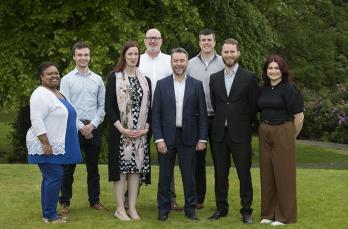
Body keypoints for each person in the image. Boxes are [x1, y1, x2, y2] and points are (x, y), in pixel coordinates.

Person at [152, 48, 208, 221]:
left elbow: (203, 114)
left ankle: (190, 209)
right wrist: (159, 139)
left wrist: (202, 138)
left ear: (186, 62)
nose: (178, 64)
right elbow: (156, 115)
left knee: (189, 176)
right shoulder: (161, 85)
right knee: (164, 177)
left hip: (189, 137)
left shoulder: (196, 85)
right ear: (171, 63)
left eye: (182, 60)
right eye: (175, 61)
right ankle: (163, 209)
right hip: (167, 138)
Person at [209, 38, 259, 224]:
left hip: (241, 134)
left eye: (232, 52)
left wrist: (242, 122)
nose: (229, 55)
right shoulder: (214, 78)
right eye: (226, 52)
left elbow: (253, 106)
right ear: (221, 54)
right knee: (220, 174)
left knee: (244, 174)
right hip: (220, 134)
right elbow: (216, 104)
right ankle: (221, 208)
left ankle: (246, 210)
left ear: (238, 53)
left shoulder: (249, 77)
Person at [26, 61, 82, 223]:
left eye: (56, 73)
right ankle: (50, 216)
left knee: (50, 177)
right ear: (41, 77)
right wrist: (45, 143)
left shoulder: (57, 93)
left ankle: (48, 212)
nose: (54, 75)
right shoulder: (40, 94)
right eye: (49, 73)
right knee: (54, 176)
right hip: (47, 144)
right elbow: (36, 120)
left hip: (57, 143)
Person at [105, 41, 151, 221]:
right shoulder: (114, 78)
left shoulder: (145, 81)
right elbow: (109, 106)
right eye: (130, 54)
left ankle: (131, 208)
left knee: (135, 171)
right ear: (124, 56)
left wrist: (146, 127)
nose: (133, 57)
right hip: (120, 133)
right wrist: (122, 129)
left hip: (139, 135)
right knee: (121, 171)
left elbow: (150, 108)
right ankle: (119, 209)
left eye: (136, 54)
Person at [138, 28, 183, 211]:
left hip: (166, 114)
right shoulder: (137, 60)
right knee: (137, 155)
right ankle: (129, 198)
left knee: (167, 157)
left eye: (156, 38)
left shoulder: (169, 60)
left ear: (161, 40)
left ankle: (170, 199)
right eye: (150, 38)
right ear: (144, 40)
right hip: (141, 114)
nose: (153, 41)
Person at [59, 41, 106, 213]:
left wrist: (92, 125)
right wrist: (80, 127)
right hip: (73, 128)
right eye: (80, 55)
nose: (83, 58)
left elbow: (102, 106)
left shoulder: (98, 79)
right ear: (74, 57)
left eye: (86, 54)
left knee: (93, 168)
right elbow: (66, 107)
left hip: (94, 127)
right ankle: (65, 202)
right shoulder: (66, 80)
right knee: (68, 167)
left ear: (90, 57)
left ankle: (94, 200)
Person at [258, 54, 304, 226]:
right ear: (266, 70)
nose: (273, 71)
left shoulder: (289, 89)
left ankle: (284, 216)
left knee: (284, 175)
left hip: (283, 131)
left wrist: (291, 136)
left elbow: (299, 117)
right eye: (270, 68)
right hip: (265, 132)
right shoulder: (263, 88)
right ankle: (268, 214)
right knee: (267, 174)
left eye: (276, 68)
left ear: (282, 70)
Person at [187, 28, 224, 209]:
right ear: (199, 42)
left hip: (218, 118)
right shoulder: (190, 64)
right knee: (197, 162)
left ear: (214, 42)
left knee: (220, 161)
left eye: (209, 40)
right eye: (203, 40)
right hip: (196, 118)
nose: (206, 43)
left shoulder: (223, 63)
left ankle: (220, 201)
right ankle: (198, 199)